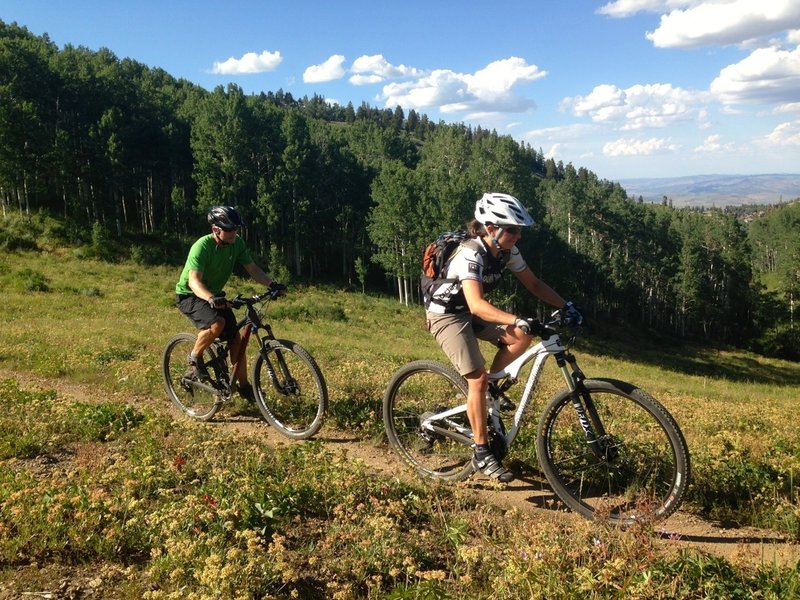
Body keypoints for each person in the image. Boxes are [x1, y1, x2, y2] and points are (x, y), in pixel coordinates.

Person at [425, 192, 583, 483]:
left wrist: (565, 305)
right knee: (476, 378)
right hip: (446, 315)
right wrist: (515, 318)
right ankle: (482, 452)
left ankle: (490, 392)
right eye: (511, 229)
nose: (518, 235)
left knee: (520, 337)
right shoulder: (470, 254)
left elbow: (534, 283)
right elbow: (476, 305)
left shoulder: (507, 251)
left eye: (519, 229)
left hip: (471, 313)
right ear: (489, 227)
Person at [175, 205, 283, 402]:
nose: (234, 232)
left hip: (214, 295)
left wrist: (271, 283)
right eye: (229, 229)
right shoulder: (202, 246)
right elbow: (194, 281)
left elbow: (252, 268)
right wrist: (210, 298)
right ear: (216, 230)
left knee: (236, 341)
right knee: (218, 323)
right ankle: (195, 357)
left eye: (236, 229)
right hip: (190, 295)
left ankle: (243, 386)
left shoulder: (237, 244)